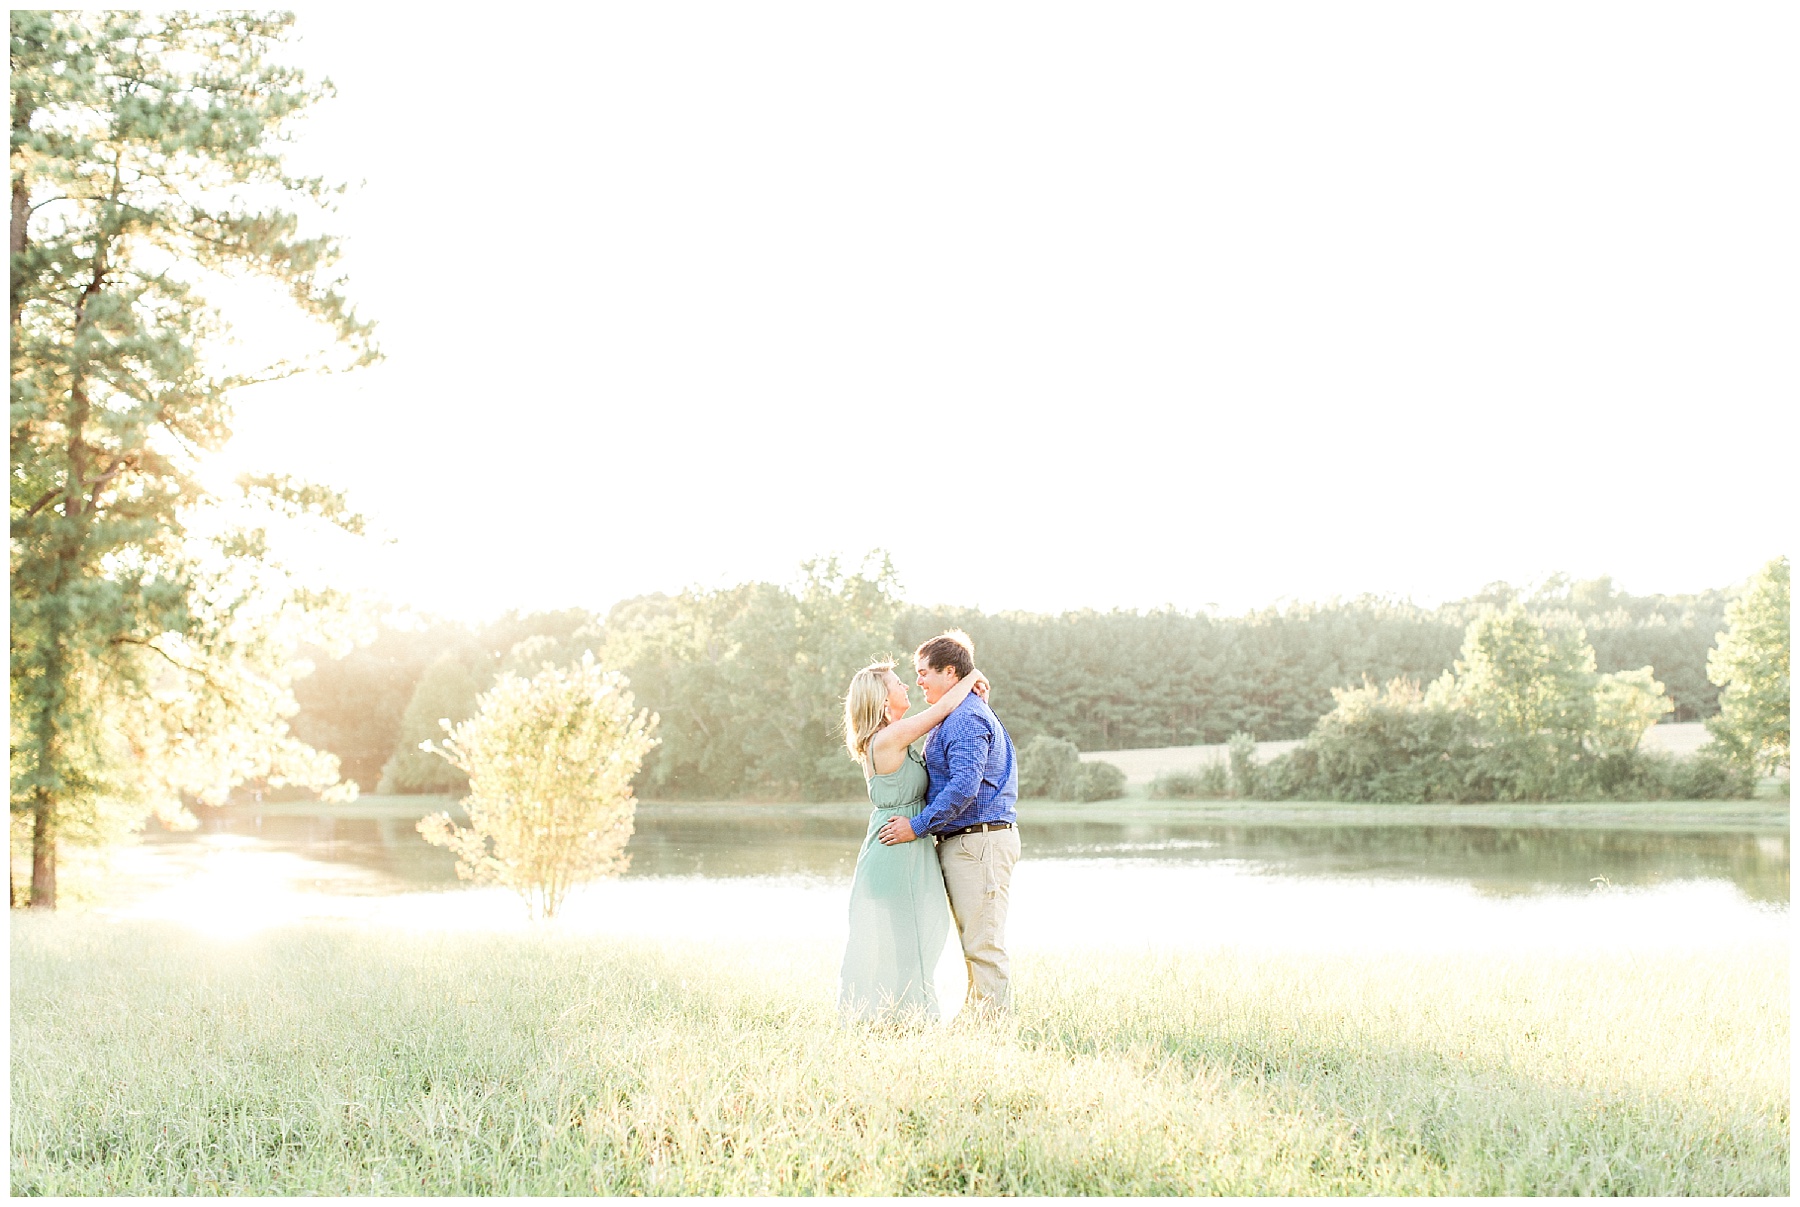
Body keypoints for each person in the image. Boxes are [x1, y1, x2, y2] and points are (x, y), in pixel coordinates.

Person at [837, 656, 990, 1024]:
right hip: (896, 853)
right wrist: (972, 677)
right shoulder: (889, 737)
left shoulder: (894, 734)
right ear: (883, 699)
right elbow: (942, 710)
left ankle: (906, 1022)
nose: (906, 686)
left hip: (907, 847)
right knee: (910, 943)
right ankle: (906, 1022)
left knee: (918, 940)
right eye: (898, 684)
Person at [877, 630, 1019, 1015]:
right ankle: (977, 1024)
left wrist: (917, 826)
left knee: (984, 944)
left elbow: (963, 788)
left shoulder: (965, 720)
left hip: (979, 843)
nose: (919, 680)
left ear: (950, 672)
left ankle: (992, 1029)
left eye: (924, 672)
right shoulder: (955, 715)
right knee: (974, 941)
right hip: (968, 842)